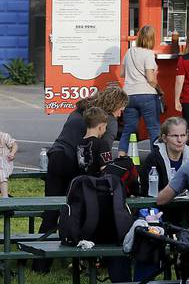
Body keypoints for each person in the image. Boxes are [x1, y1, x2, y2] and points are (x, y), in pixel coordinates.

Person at [39, 86, 129, 249]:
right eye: (121, 109)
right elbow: (103, 154)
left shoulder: (81, 110)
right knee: (77, 209)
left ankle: (40, 262)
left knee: (50, 212)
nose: (121, 113)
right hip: (76, 165)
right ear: (115, 105)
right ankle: (78, 250)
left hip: (56, 156)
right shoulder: (107, 121)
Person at [118, 25, 161, 156]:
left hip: (129, 95)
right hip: (147, 95)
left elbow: (122, 73)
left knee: (128, 129)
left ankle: (121, 156)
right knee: (153, 128)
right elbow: (151, 79)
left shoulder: (129, 51)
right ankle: (156, 158)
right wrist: (160, 90)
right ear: (152, 38)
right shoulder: (148, 54)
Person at [138, 116, 189, 195]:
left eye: (183, 135)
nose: (179, 140)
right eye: (175, 136)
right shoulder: (153, 159)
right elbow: (146, 190)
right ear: (164, 138)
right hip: (160, 204)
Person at [77, 107, 113, 176]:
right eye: (105, 127)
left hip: (80, 183)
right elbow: (106, 169)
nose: (105, 130)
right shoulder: (102, 144)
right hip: (96, 183)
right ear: (100, 127)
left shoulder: (78, 142)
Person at [0, 131, 18, 198]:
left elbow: (14, 145)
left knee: (1, 171)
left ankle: (5, 197)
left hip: (5, 164)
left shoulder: (4, 136)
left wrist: (12, 153)